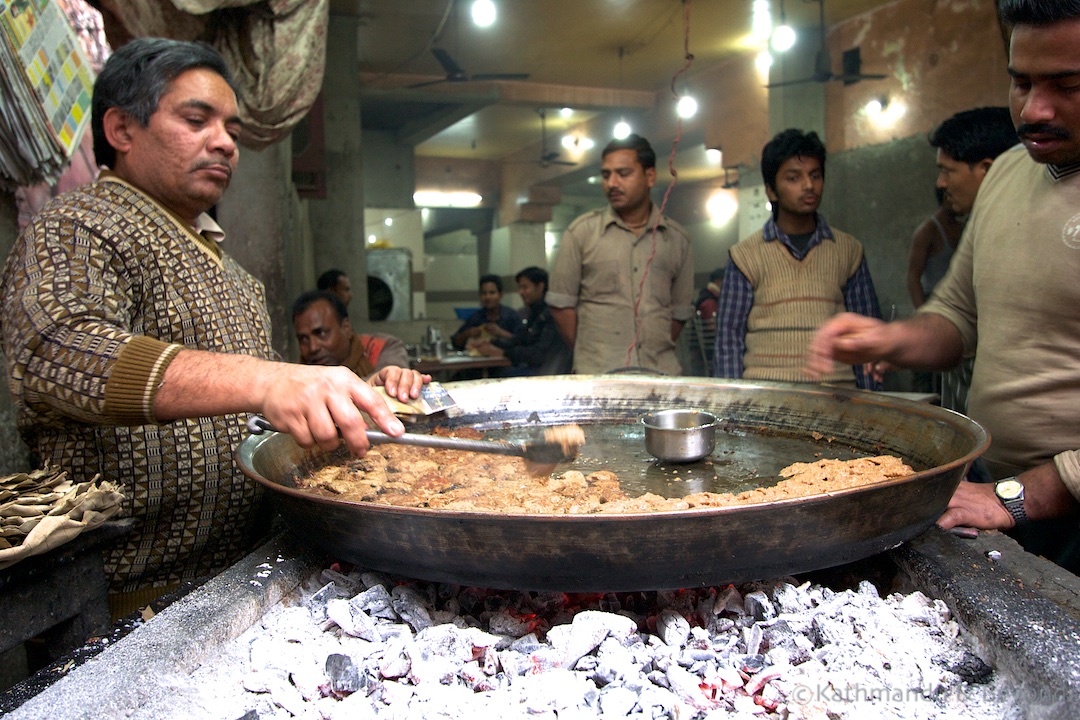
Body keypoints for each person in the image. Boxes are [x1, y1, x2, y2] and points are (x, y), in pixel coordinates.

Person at [0, 38, 425, 613]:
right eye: (196, 119)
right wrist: (265, 380)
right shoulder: (77, 227)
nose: (224, 142)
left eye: (230, 127)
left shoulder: (236, 277)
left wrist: (353, 400)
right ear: (123, 129)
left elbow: (258, 410)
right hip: (128, 596)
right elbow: (58, 351)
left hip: (248, 571)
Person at [806, 0, 1080, 572]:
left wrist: (1026, 495)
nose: (1035, 109)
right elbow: (957, 315)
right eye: (1020, 82)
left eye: (1067, 85)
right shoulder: (1008, 172)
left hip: (1057, 505)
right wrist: (891, 340)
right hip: (997, 489)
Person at [713, 129, 881, 389]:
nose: (808, 185)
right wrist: (731, 412)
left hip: (838, 398)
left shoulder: (848, 251)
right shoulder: (745, 256)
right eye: (794, 178)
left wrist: (873, 407)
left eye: (815, 175)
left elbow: (866, 338)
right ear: (771, 191)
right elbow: (729, 342)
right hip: (766, 399)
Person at [548, 134, 694, 375]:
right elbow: (561, 308)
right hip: (598, 376)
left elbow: (679, 314)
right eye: (606, 175)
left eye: (623, 173)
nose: (612, 183)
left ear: (649, 176)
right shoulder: (581, 233)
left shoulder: (676, 239)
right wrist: (595, 353)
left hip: (659, 375)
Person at [906, 107, 1017, 402]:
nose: (941, 183)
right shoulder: (977, 228)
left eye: (947, 170)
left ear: (987, 169)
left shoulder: (1021, 234)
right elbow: (955, 309)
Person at [470, 266, 572, 376]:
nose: (521, 292)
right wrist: (491, 343)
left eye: (525, 287)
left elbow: (538, 354)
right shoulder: (534, 312)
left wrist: (502, 352)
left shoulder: (550, 314)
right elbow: (521, 340)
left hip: (549, 373)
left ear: (540, 287)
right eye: (520, 288)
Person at [292, 290, 410, 374]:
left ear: (346, 328)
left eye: (321, 333)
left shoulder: (384, 348)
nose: (313, 347)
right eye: (303, 339)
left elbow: (391, 386)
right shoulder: (298, 377)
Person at [450, 273, 521, 351]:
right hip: (481, 361)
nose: (487, 297)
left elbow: (523, 343)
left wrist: (501, 333)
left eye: (492, 293)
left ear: (500, 295)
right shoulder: (476, 317)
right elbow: (454, 342)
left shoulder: (511, 316)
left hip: (507, 361)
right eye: (484, 293)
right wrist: (467, 334)